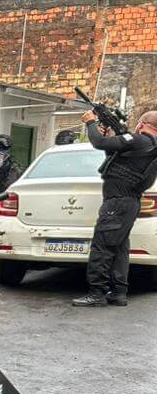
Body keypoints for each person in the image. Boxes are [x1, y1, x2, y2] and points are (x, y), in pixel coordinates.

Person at [72, 108, 157, 307]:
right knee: (119, 248)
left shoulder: (139, 139)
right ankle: (118, 292)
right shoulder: (148, 145)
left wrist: (91, 123)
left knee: (101, 247)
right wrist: (110, 134)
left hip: (117, 203)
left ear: (143, 124)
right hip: (129, 203)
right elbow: (114, 150)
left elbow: (99, 143)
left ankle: (96, 293)